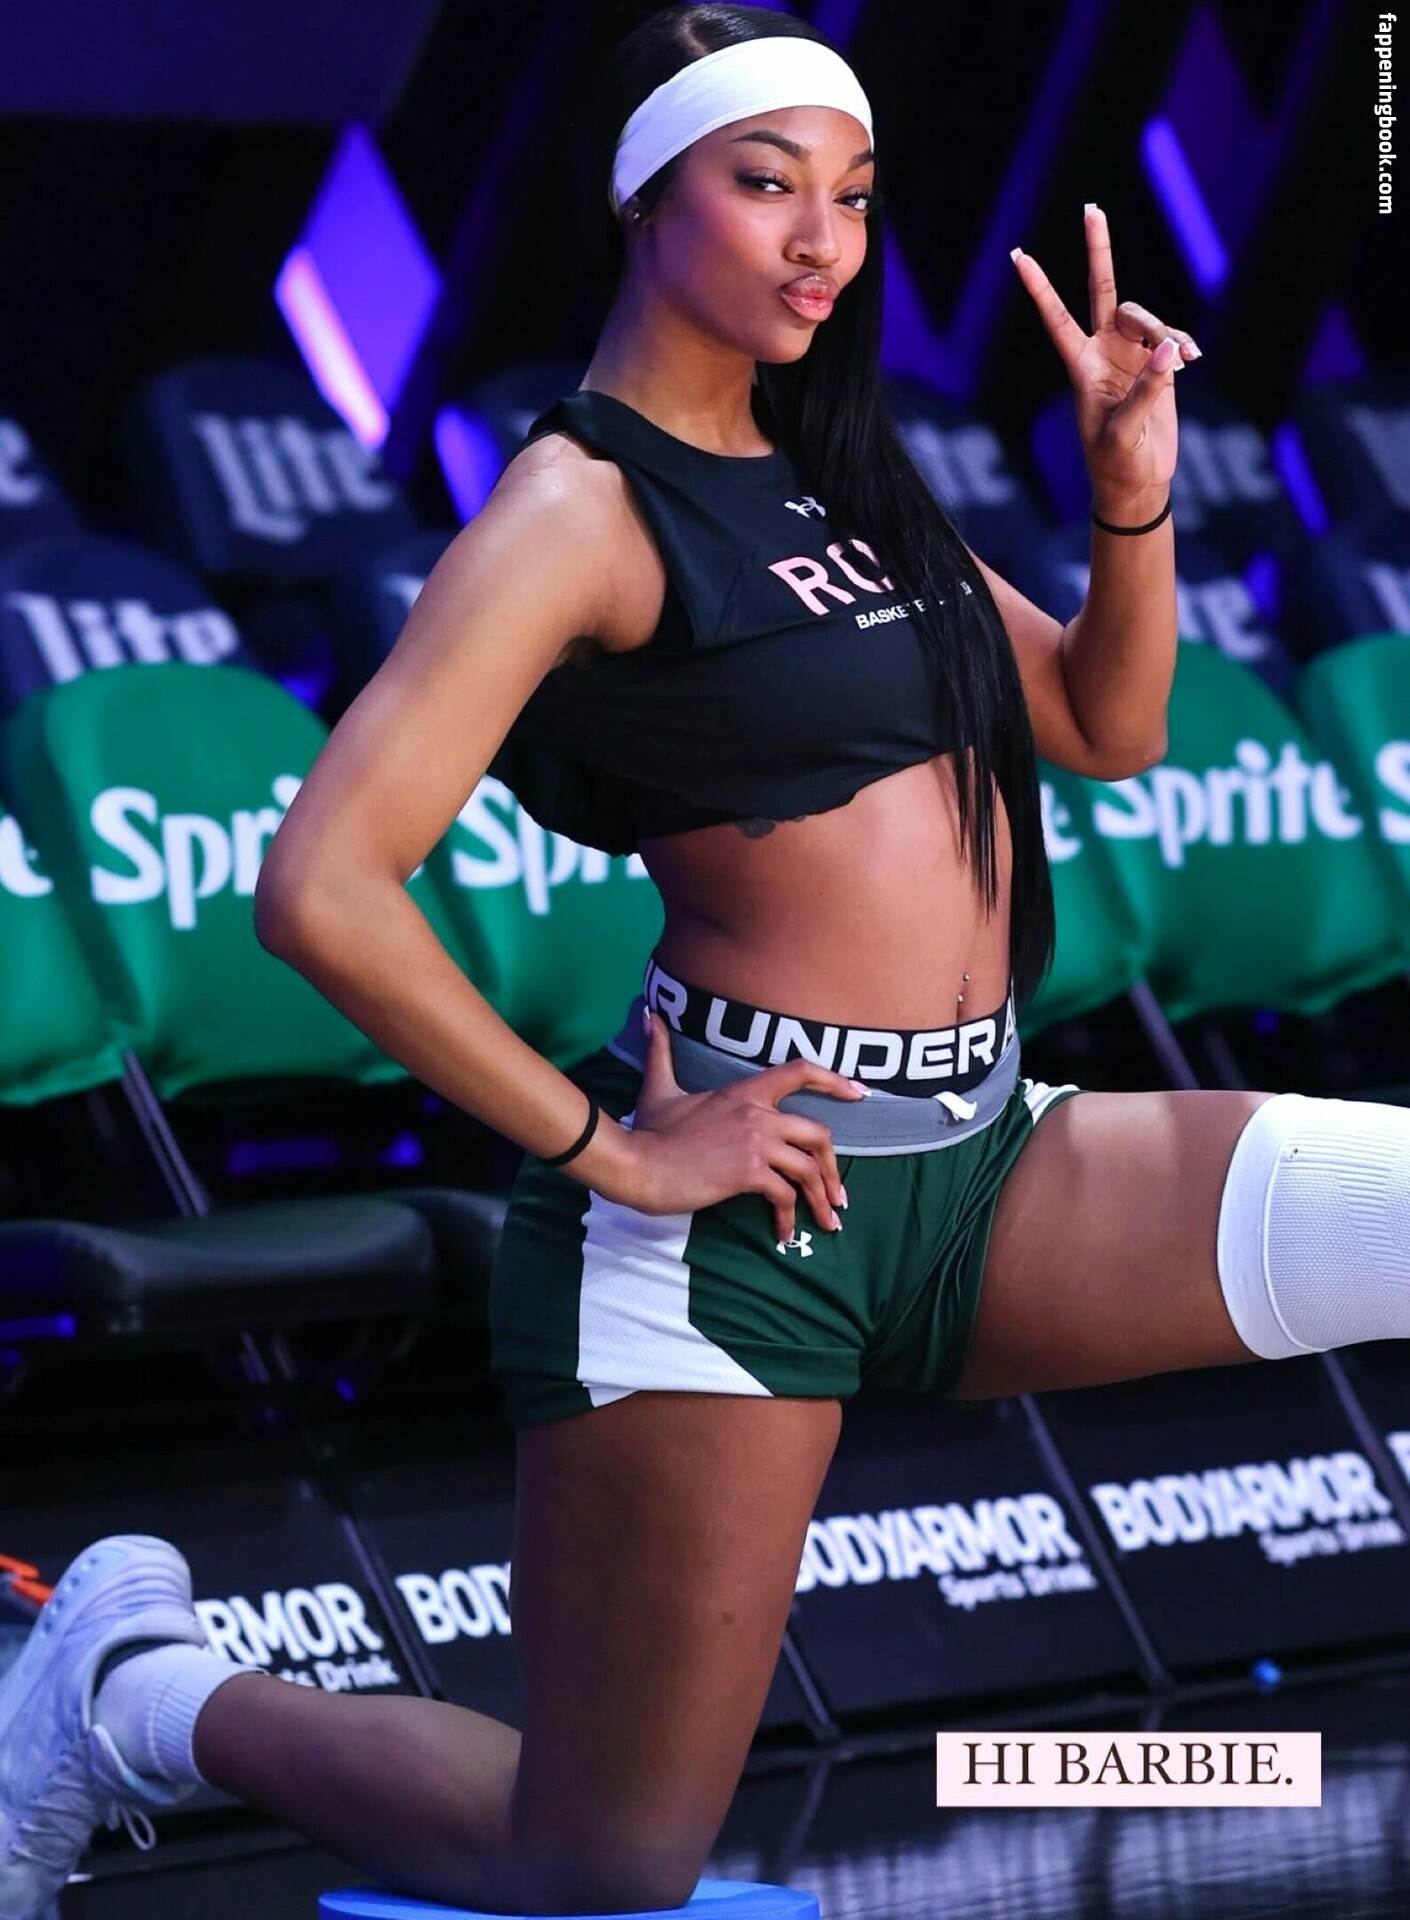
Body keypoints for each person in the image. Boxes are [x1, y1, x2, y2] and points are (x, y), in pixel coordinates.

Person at [4, 7, 1409, 1917]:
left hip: (991, 1159)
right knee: (597, 1856)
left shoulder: (847, 470)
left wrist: (1125, 486)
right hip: (731, 1230)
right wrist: (611, 1153)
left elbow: (1107, 725)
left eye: (853, 198)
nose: (822, 242)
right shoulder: (574, 509)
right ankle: (130, 1694)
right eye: (765, 187)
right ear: (644, 200)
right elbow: (320, 884)